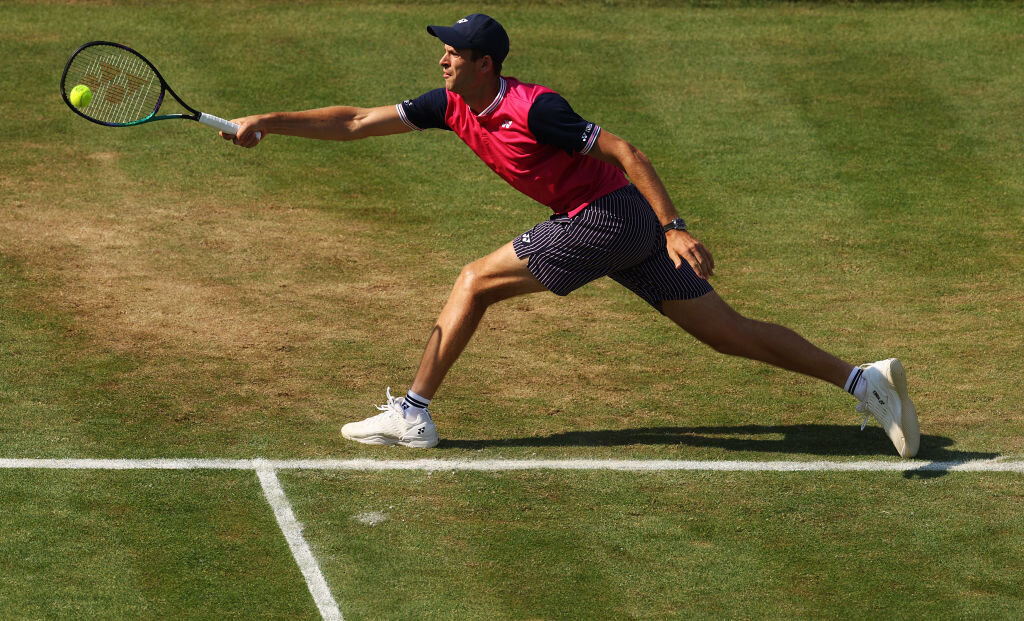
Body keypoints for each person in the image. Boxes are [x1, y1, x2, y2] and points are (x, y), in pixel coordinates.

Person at [223, 13, 920, 457]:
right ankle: (865, 381)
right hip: (613, 223)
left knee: (474, 280)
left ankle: (413, 412)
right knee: (725, 331)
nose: (443, 60)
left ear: (486, 64)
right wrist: (267, 120)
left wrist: (674, 227)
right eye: (443, 50)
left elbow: (624, 151)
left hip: (612, 219)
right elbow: (353, 121)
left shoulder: (538, 110)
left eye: (455, 53)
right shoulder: (449, 106)